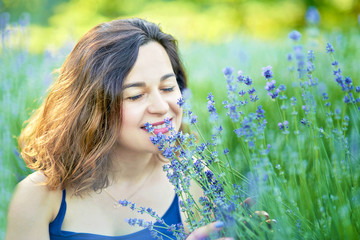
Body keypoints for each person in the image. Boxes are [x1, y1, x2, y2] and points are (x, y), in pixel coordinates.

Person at [5, 18, 234, 240]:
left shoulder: (194, 178)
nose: (161, 107)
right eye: (136, 95)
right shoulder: (38, 196)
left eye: (167, 87)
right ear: (94, 107)